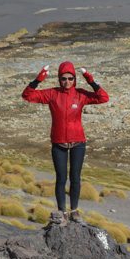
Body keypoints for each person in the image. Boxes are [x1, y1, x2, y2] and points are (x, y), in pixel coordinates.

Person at [22, 61, 109, 225]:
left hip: (78, 143)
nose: (67, 82)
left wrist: (90, 79)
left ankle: (74, 211)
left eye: (70, 78)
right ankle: (61, 212)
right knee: (61, 178)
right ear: (59, 79)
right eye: (63, 79)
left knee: (75, 178)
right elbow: (27, 95)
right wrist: (38, 80)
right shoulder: (52, 94)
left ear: (75, 79)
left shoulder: (81, 94)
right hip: (58, 143)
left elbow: (103, 97)